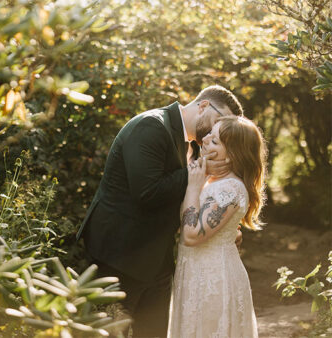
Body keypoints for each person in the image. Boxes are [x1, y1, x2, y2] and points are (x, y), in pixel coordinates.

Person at [76, 85, 244, 336]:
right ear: (203, 106)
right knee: (106, 332)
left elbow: (187, 195)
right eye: (219, 120)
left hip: (157, 260)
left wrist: (219, 223)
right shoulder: (151, 126)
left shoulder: (193, 145)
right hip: (119, 256)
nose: (216, 131)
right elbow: (147, 193)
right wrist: (195, 172)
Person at [168, 115, 266, 337]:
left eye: (214, 141)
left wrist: (193, 187)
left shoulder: (230, 188)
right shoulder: (209, 179)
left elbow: (191, 235)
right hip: (193, 273)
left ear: (231, 155)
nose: (205, 140)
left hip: (214, 279)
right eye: (210, 134)